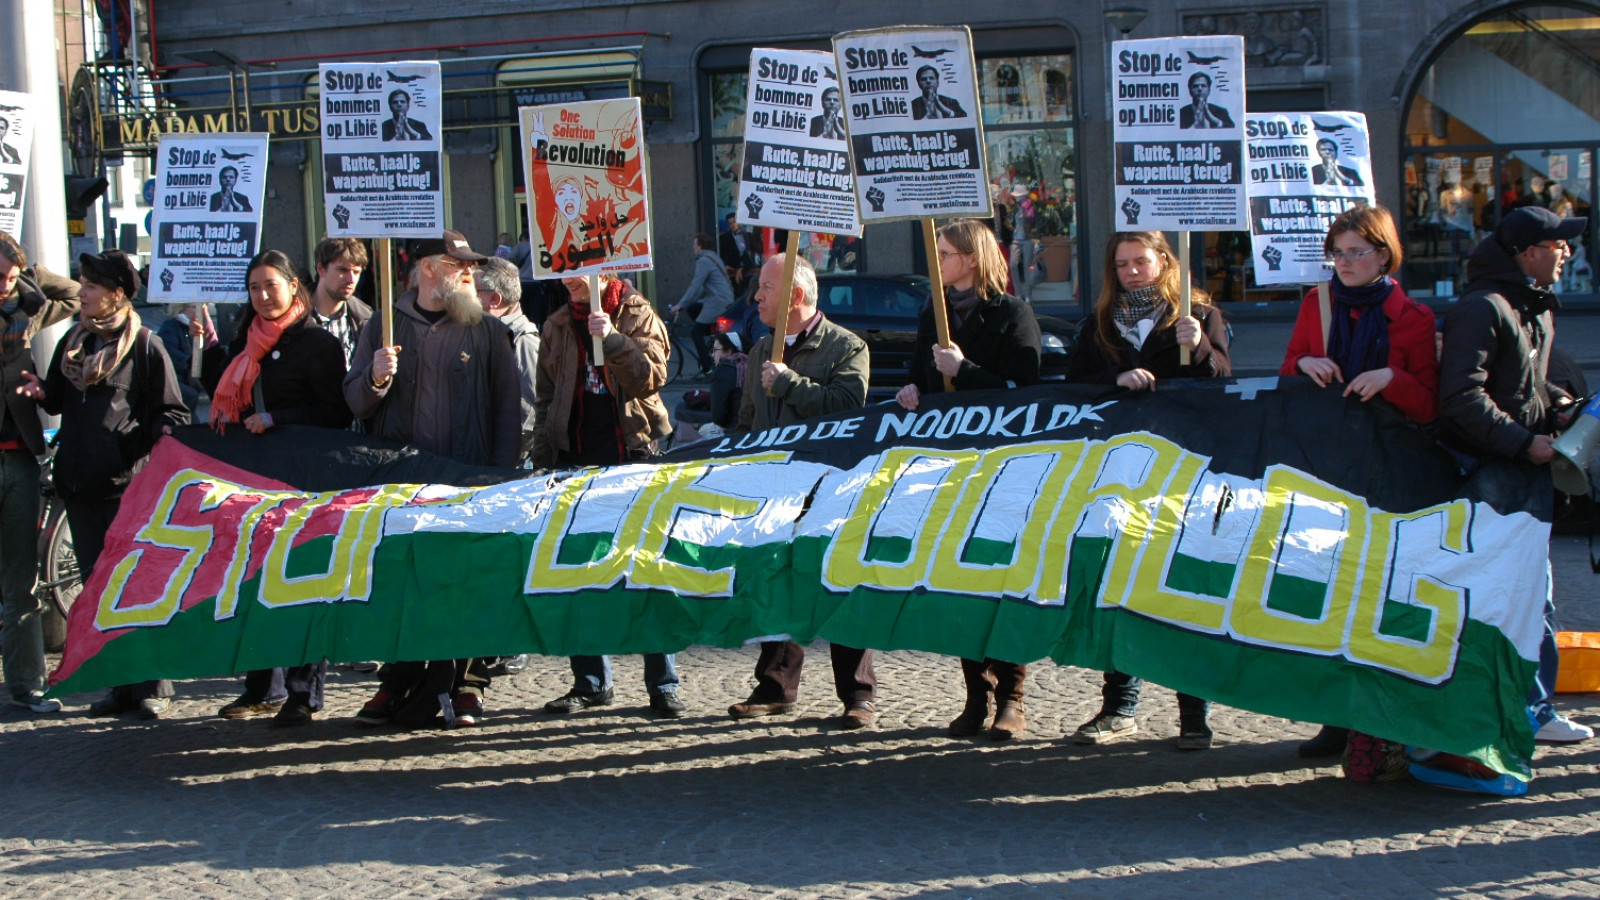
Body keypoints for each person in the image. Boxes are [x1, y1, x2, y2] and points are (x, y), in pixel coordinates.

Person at [1279, 204, 1439, 758]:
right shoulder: (1317, 303)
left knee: (1380, 595)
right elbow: (1288, 372)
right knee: (1327, 590)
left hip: (1390, 470)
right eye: (1337, 254)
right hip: (1328, 467)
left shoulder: (1413, 317)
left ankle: (1382, 717)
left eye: (1355, 253)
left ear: (1384, 254)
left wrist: (1392, 377)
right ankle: (1336, 718)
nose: (1344, 263)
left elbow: (1429, 405)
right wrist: (1305, 365)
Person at [344, 229, 521, 729]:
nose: (470, 272)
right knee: (403, 583)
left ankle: (467, 685)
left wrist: (501, 478)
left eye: (472, 265)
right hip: (403, 482)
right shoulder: (384, 323)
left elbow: (508, 411)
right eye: (458, 264)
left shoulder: (488, 331)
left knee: (466, 582)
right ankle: (397, 680)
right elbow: (354, 400)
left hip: (468, 480)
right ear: (427, 269)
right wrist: (376, 377)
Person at [1066, 231, 1230, 750]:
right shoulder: (1098, 324)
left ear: (1164, 261)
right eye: (1122, 264)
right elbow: (1073, 385)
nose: (1132, 271)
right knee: (1117, 584)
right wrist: (1116, 377)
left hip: (1183, 469)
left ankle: (1194, 715)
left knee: (1182, 587)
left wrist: (1198, 346)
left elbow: (1222, 380)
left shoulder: (1199, 314)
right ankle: (1120, 708)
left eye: (1141, 261)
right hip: (1117, 470)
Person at [1437, 206, 1592, 744]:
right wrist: (1525, 443)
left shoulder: (1533, 305)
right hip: (1490, 476)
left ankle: (1532, 708)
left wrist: (1562, 406)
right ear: (1528, 253)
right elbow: (1461, 397)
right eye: (1557, 245)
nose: (1566, 253)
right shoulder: (1482, 307)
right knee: (1512, 598)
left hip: (1521, 473)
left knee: (1532, 596)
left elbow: (1528, 384)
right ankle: (1525, 711)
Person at [17, 250, 189, 719]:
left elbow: (172, 412)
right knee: (99, 591)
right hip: (80, 487)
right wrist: (41, 391)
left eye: (91, 286)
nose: (83, 293)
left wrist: (149, 442)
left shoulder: (145, 346)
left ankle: (153, 685)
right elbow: (57, 398)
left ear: (116, 293)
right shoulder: (74, 341)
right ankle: (120, 686)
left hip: (126, 491)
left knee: (136, 588)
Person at [895, 218, 1042, 740]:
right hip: (948, 466)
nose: (936, 262)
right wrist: (911, 391)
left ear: (973, 259)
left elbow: (1027, 389)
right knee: (957, 580)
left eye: (945, 254)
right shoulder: (931, 313)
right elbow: (920, 376)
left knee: (1001, 579)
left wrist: (966, 369)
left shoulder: (1012, 313)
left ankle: (1012, 698)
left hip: (1001, 468)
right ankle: (975, 695)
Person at [197, 251, 352, 726]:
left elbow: (337, 413)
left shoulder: (317, 343)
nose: (263, 296)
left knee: (303, 583)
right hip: (254, 481)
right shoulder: (246, 340)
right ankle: (263, 686)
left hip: (304, 481)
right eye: (254, 288)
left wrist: (277, 418)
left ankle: (304, 694)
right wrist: (205, 348)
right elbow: (225, 395)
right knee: (253, 581)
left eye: (271, 285)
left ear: (293, 286)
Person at [729, 254, 875, 728]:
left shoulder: (846, 346)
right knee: (776, 582)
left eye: (766, 288)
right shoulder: (760, 350)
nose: (756, 297)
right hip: (773, 489)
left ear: (794, 296)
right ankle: (775, 686)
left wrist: (789, 383)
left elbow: (847, 407)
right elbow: (748, 420)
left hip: (829, 486)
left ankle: (857, 694)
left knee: (838, 581)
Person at [532, 271, 683, 718]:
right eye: (561, 270)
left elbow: (652, 377)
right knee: (576, 573)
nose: (567, 279)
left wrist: (614, 340)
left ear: (606, 268)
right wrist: (542, 460)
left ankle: (663, 683)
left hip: (632, 458)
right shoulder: (557, 323)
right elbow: (545, 399)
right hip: (573, 461)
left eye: (576, 270)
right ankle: (591, 682)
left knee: (647, 571)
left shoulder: (637, 312)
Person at [0, 233, 78, 714]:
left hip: (18, 457)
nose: (4, 285)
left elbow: (74, 293)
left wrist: (32, 278)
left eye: (10, 277)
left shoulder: (25, 311)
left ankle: (27, 684)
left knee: (20, 583)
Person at [475, 256, 540, 463]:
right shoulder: (486, 334)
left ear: (494, 299)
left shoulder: (523, 342)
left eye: (474, 292)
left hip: (504, 464)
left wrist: (502, 457)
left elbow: (527, 415)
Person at [670, 232, 736, 378]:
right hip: (723, 298)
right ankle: (710, 339)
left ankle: (706, 367)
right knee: (692, 308)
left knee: (696, 332)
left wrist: (680, 304)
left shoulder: (704, 261)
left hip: (718, 301)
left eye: (694, 245)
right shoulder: (713, 257)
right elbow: (700, 289)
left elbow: (695, 285)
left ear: (700, 246)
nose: (693, 248)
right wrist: (687, 303)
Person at [307, 237, 372, 366]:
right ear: (321, 269)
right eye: (343, 270)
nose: (351, 279)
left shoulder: (365, 318)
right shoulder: (292, 317)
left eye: (356, 272)